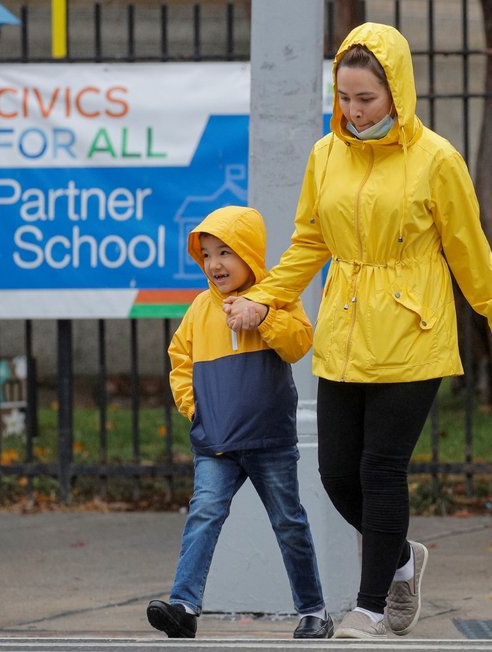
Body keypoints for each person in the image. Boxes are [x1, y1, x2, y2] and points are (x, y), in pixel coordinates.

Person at [224, 22, 492, 639]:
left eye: (365, 98)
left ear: (397, 90)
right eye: (344, 97)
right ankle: (399, 559)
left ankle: (368, 608)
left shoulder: (437, 160)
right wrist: (262, 299)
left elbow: (472, 256)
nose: (353, 110)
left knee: (380, 469)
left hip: (415, 335)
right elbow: (308, 245)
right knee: (337, 474)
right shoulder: (325, 154)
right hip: (344, 332)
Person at [146, 205, 333, 640]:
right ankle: (184, 606)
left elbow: (298, 344)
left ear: (249, 253)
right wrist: (195, 408)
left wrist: (264, 316)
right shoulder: (198, 309)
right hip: (216, 439)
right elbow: (180, 359)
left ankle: (313, 611)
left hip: (269, 437)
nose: (214, 264)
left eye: (225, 252)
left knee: (289, 521)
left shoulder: (276, 295)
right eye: (207, 254)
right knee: (204, 513)